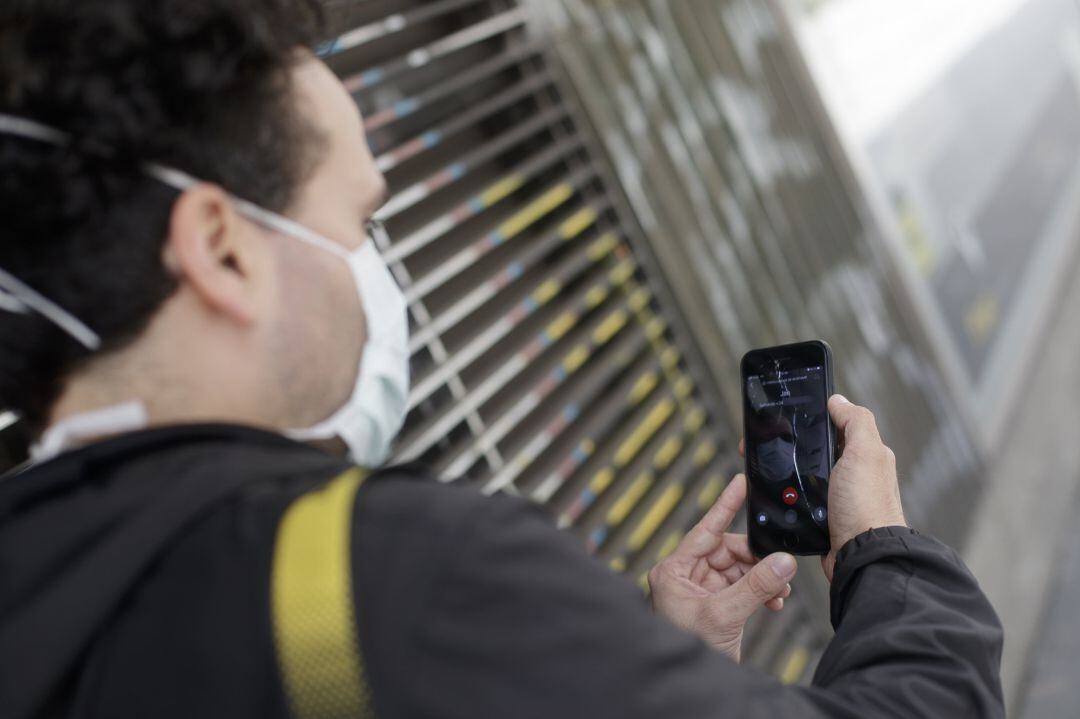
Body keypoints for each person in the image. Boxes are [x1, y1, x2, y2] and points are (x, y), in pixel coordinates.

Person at [0, 1, 1003, 717]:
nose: (374, 273)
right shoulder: (401, 582)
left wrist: (661, 668)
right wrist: (884, 555)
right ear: (222, 248)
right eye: (358, 222)